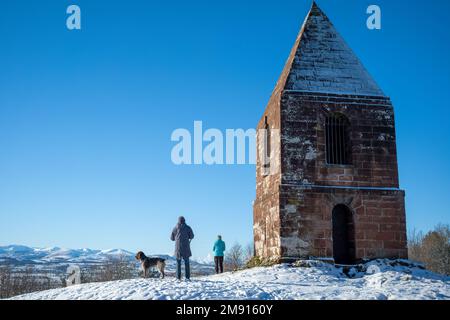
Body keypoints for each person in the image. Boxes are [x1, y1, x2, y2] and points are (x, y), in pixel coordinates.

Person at [170, 216, 194, 280]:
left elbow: (171, 238)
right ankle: (187, 277)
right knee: (187, 262)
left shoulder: (175, 228)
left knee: (178, 263)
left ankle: (178, 277)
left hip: (178, 248)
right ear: (184, 220)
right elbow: (192, 236)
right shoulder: (188, 227)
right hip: (186, 247)